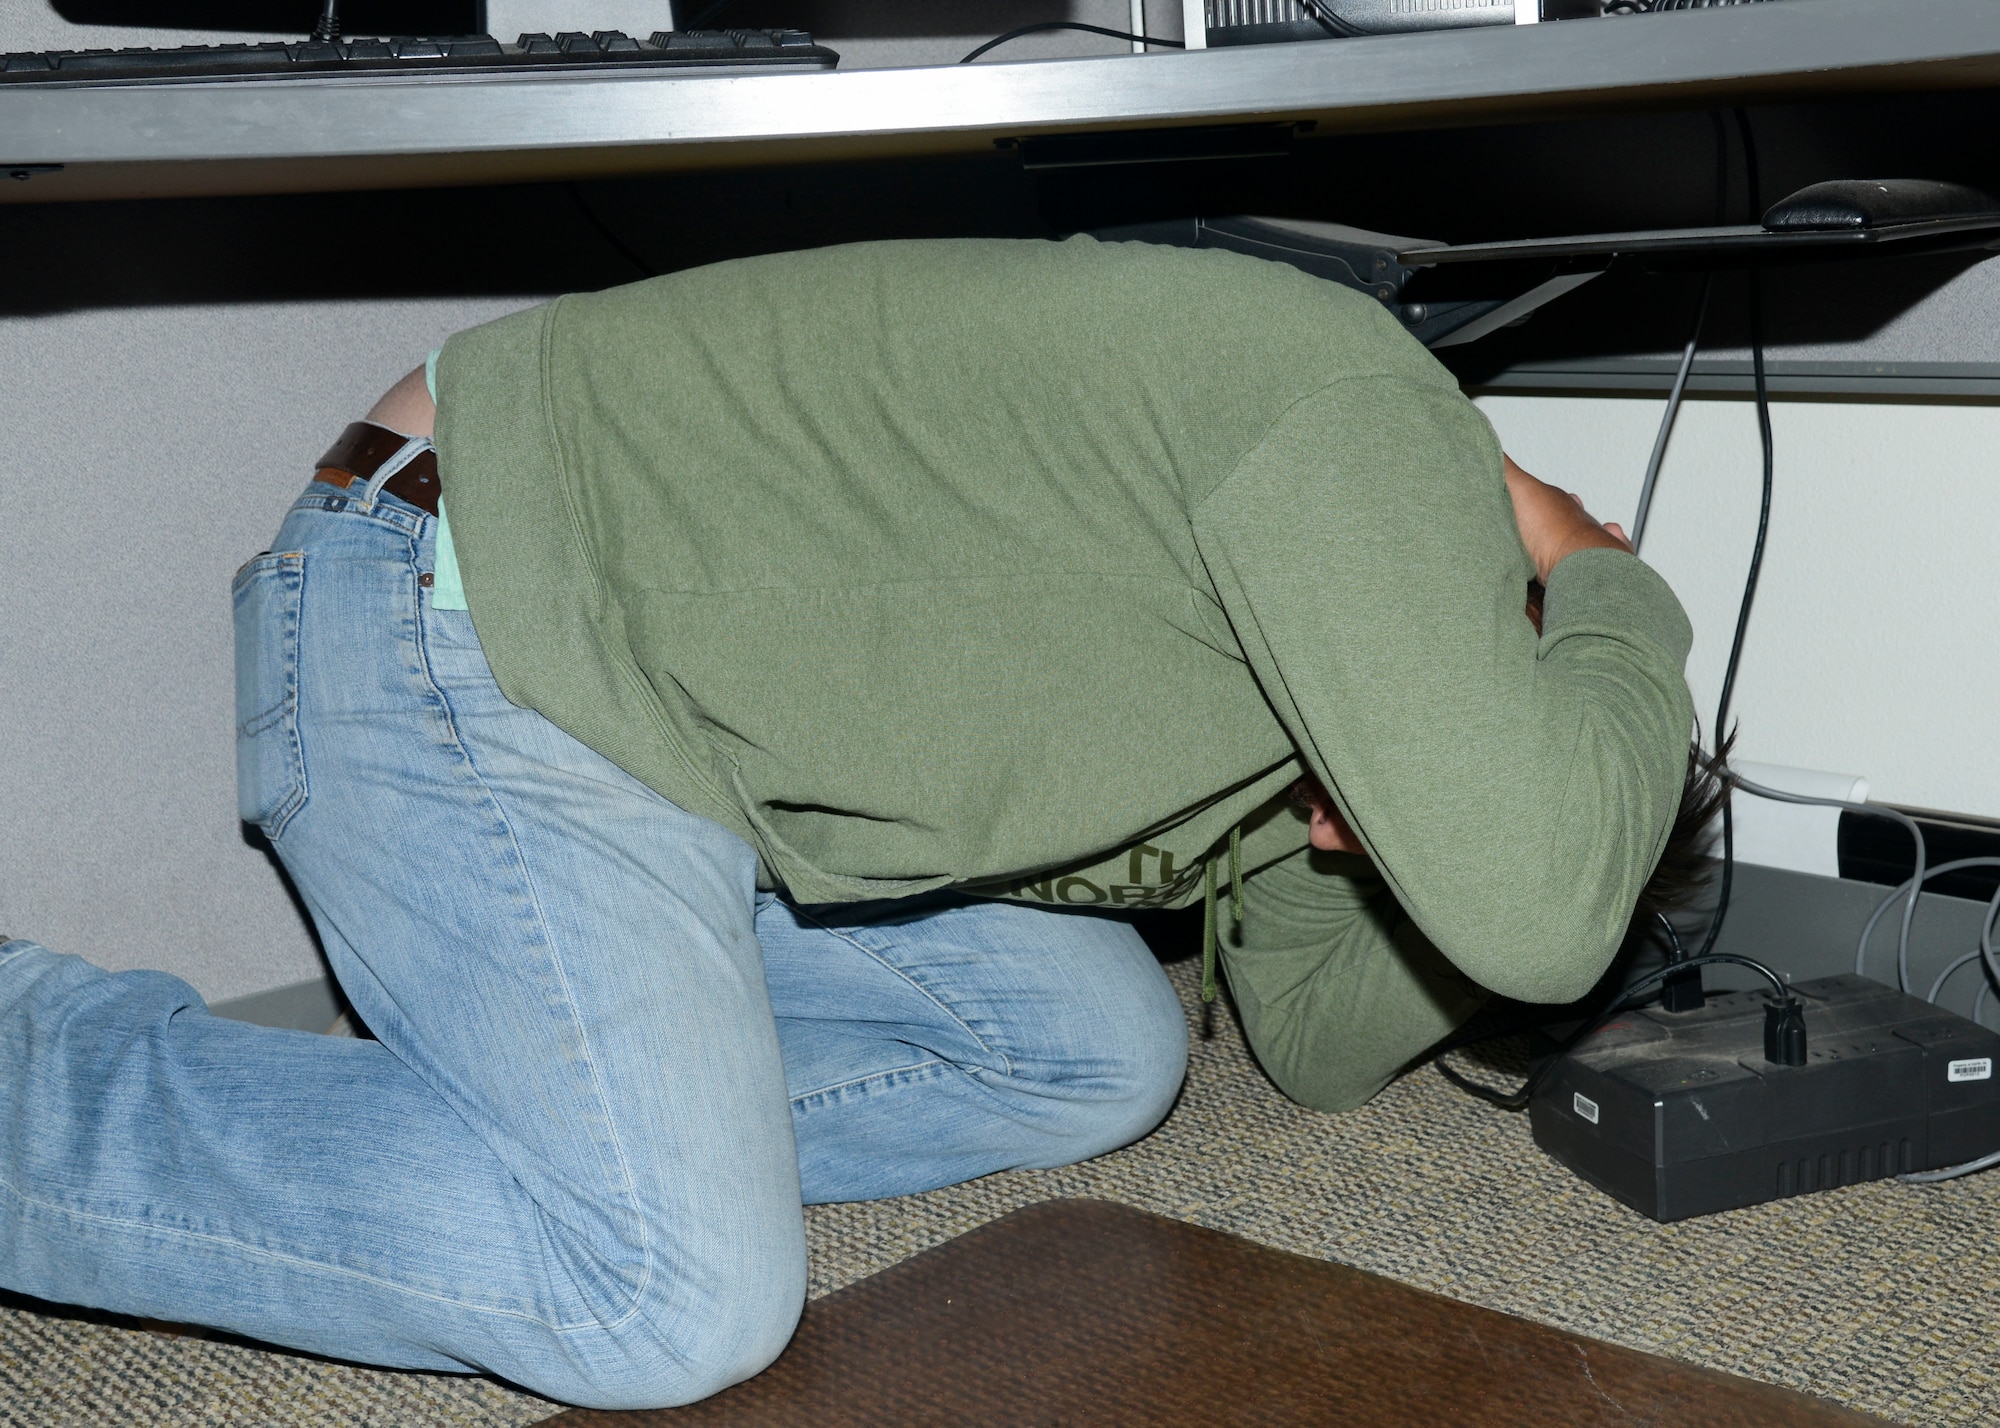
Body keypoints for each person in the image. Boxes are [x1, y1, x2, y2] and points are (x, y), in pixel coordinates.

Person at [0, 234, 1707, 1410]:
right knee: (666, 1298)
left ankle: (566, 1098)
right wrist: (1626, 596)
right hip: (467, 605)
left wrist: (1389, 841)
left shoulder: (1312, 677)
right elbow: (1547, 910)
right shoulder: (1369, 429)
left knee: (1101, 1049)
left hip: (659, 726)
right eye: (1520, 744)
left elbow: (1327, 1040)